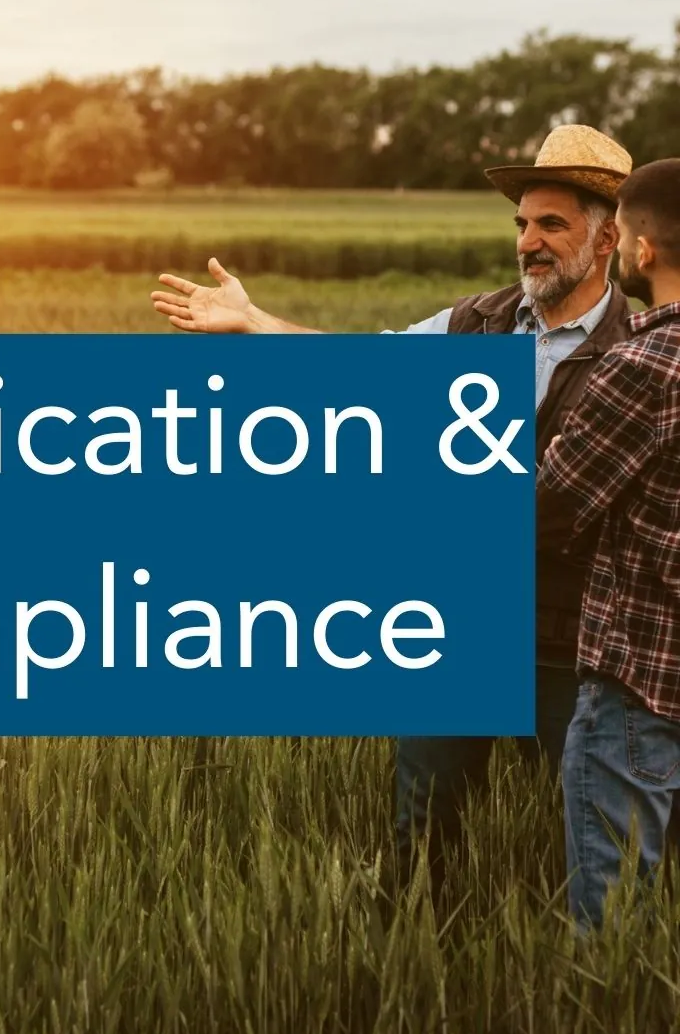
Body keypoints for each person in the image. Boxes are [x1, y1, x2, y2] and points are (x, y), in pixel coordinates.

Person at [149, 124, 635, 881]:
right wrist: (254, 323)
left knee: (588, 826)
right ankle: (415, 936)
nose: (528, 242)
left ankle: (573, 966)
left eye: (551, 225)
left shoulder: (639, 349)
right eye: (521, 224)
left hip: (568, 632)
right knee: (423, 823)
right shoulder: (476, 324)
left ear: (606, 242)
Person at [538, 158, 680, 930]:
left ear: (641, 251)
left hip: (638, 685)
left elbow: (546, 505)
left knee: (611, 929)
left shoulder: (646, 364)